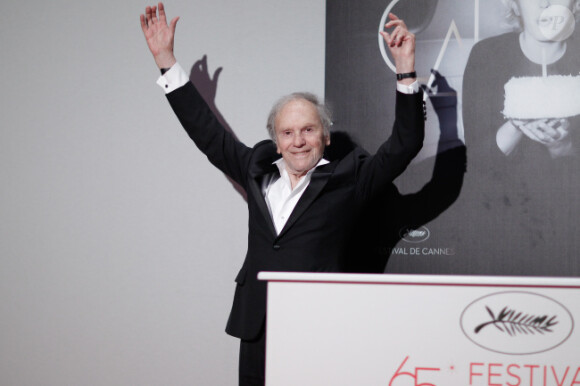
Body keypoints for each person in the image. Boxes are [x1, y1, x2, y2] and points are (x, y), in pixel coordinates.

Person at [140, 3, 424, 384]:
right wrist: (166, 61)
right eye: (287, 133)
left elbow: (405, 144)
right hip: (257, 321)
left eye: (307, 130)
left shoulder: (351, 177)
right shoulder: (255, 169)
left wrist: (405, 69)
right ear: (276, 141)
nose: (298, 142)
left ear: (325, 135)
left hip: (319, 325)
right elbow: (207, 134)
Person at [461, 0, 580, 273]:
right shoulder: (486, 55)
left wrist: (564, 146)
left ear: (574, 4)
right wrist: (516, 123)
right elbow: (476, 163)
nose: (545, 3)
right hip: (502, 228)